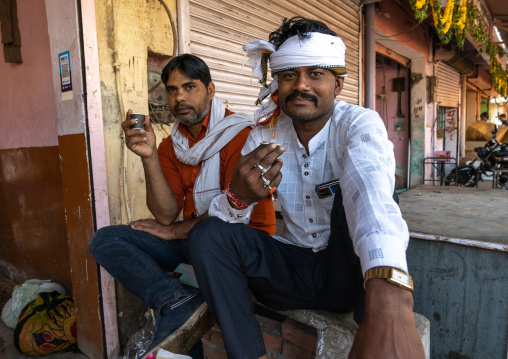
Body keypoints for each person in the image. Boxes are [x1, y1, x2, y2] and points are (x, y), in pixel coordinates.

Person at [188, 17, 425, 359]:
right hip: (292, 269)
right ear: (277, 85)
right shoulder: (263, 135)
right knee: (208, 234)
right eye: (288, 75)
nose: (301, 86)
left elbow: (370, 188)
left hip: (348, 275)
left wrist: (392, 303)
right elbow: (232, 223)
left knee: (355, 191)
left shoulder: (358, 123)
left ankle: (382, 310)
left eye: (315, 74)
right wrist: (238, 199)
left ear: (338, 84)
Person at [89, 54, 275, 357]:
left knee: (204, 240)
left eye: (189, 87)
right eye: (172, 90)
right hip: (193, 241)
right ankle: (175, 300)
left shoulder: (241, 135)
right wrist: (148, 156)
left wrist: (175, 232)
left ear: (210, 90)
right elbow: (164, 214)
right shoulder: (171, 145)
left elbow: (231, 217)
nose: (179, 98)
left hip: (241, 247)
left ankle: (179, 304)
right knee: (107, 240)